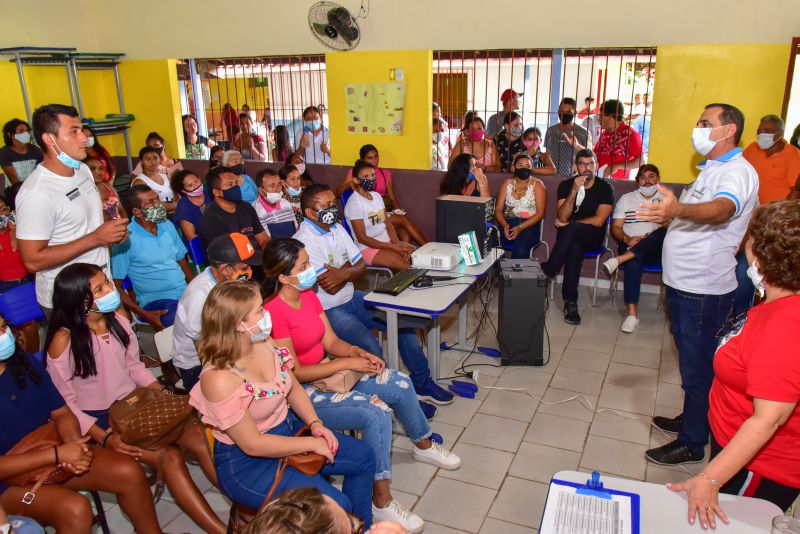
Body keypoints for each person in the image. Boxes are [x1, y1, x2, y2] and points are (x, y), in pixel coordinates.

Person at [263, 238, 461, 532]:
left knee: (399, 382)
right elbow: (297, 374)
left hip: (329, 376)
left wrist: (357, 352)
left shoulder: (310, 296)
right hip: (303, 394)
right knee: (376, 411)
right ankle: (381, 501)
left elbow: (330, 341)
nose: (312, 270)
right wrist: (346, 363)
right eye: (304, 266)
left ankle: (423, 443)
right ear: (282, 276)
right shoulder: (274, 312)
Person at [45, 263, 226, 534]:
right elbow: (65, 403)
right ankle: (221, 530)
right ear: (81, 301)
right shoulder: (64, 340)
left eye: (107, 282)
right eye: (100, 288)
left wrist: (159, 390)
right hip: (100, 420)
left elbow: (134, 367)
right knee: (170, 458)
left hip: (135, 403)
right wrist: (104, 437)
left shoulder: (117, 320)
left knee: (199, 437)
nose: (110, 289)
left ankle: (243, 509)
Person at [188, 280, 375, 527]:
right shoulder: (219, 378)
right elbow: (253, 444)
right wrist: (310, 442)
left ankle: (362, 528)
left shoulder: (264, 341)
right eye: (259, 311)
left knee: (363, 457)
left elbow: (293, 387)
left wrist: (315, 423)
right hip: (249, 464)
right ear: (238, 324)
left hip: (289, 430)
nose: (267, 315)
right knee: (337, 508)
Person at [639, 103, 758, 466]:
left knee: (698, 365)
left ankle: (692, 442)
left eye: (706, 123)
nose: (699, 128)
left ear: (729, 130)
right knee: (690, 360)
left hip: (703, 290)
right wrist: (670, 217)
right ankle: (693, 418)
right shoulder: (711, 169)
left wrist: (676, 211)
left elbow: (723, 209)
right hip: (683, 284)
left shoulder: (737, 172)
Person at [668, 200, 800, 528]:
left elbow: (769, 420)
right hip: (733, 443)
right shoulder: (777, 304)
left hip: (759, 467)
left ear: (759, 251)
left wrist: (711, 479)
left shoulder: (786, 325)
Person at [293, 184, 454, 418]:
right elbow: (327, 283)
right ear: (310, 213)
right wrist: (348, 270)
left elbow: (360, 264)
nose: (332, 209)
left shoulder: (336, 227)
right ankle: (396, 402)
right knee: (371, 349)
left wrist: (344, 272)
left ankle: (421, 382)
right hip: (329, 309)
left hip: (353, 297)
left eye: (332, 204)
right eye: (325, 205)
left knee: (402, 324)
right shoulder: (304, 241)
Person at [0, 313, 163, 534]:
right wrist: (59, 455)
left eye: (3, 328)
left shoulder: (22, 362)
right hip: (9, 482)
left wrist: (74, 445)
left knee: (128, 471)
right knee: (75, 509)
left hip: (52, 451)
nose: (4, 336)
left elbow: (61, 412)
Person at [16, 104, 129, 312]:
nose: (84, 137)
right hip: (69, 300)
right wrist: (96, 238)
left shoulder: (83, 170)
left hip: (101, 285)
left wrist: (112, 232)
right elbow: (32, 260)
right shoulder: (37, 193)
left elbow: (86, 223)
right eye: (74, 132)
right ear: (49, 139)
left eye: (81, 130)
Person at [172, 233, 261, 391]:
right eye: (245, 267)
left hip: (229, 345)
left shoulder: (229, 281)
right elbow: (204, 349)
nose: (250, 271)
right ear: (225, 269)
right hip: (198, 363)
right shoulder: (199, 298)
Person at [541, 149, 614, 325]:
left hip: (593, 236)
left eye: (591, 163)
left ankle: (549, 269)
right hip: (570, 237)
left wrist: (570, 224)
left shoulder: (605, 187)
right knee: (574, 247)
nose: (587, 168)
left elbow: (599, 220)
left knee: (571, 231)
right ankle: (570, 303)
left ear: (595, 165)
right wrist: (574, 190)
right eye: (583, 164)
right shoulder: (566, 185)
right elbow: (563, 216)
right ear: (576, 167)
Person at [112, 185, 193, 330]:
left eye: (157, 199)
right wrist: (145, 314)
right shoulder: (126, 239)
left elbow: (182, 261)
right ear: (137, 212)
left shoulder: (166, 225)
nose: (158, 204)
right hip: (156, 301)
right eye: (150, 202)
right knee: (185, 321)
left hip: (183, 292)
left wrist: (194, 289)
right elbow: (116, 287)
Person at [602, 164, 667, 333]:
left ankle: (619, 259)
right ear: (637, 181)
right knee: (633, 262)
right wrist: (628, 239)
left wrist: (661, 219)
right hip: (630, 243)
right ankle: (632, 315)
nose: (647, 181)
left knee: (662, 232)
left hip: (656, 248)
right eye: (643, 177)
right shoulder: (626, 199)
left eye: (651, 176)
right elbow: (616, 227)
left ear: (658, 179)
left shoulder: (666, 200)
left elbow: (671, 227)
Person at [336, 145, 427, 246]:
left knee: (404, 231)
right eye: (370, 158)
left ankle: (409, 256)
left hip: (384, 210)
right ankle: (427, 246)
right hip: (369, 214)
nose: (374, 160)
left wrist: (398, 210)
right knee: (403, 220)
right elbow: (338, 193)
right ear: (363, 159)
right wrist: (349, 184)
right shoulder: (356, 173)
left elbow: (392, 196)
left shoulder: (385, 174)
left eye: (376, 157)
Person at [344, 160, 415, 271]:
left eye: (373, 175)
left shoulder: (376, 196)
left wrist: (397, 244)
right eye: (366, 176)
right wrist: (392, 247)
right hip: (368, 248)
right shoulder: (354, 203)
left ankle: (398, 280)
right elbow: (362, 238)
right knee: (406, 266)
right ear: (356, 180)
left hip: (387, 243)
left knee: (415, 254)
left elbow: (388, 223)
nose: (371, 179)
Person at [198, 167, 269, 253]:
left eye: (236, 183)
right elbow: (225, 254)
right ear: (216, 192)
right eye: (230, 184)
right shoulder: (211, 219)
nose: (236, 187)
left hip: (255, 256)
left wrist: (270, 253)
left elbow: (262, 238)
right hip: (233, 262)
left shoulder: (246, 207)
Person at [494, 153, 547, 259]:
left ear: (532, 168)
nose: (524, 168)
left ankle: (515, 275)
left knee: (520, 249)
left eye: (528, 166)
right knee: (492, 246)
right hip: (507, 224)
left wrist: (520, 227)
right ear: (514, 167)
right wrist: (504, 224)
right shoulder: (506, 184)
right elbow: (498, 210)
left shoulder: (538, 185)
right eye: (520, 165)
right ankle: (500, 273)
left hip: (529, 226)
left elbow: (541, 213)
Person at [743, 114, 800, 204]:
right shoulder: (752, 149)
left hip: (776, 213)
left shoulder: (793, 155)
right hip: (751, 210)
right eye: (759, 131)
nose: (761, 134)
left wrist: (780, 213)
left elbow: (796, 191)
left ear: (780, 134)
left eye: (767, 131)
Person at [594, 99, 643, 179]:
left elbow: (640, 162)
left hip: (618, 185)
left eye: (601, 116)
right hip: (599, 182)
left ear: (611, 116)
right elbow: (595, 155)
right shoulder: (604, 134)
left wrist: (617, 166)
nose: (598, 119)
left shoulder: (630, 134)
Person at [544, 97, 589, 177]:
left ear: (575, 113)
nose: (564, 114)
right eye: (561, 111)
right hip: (552, 175)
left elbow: (590, 155)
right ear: (558, 111)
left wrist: (577, 146)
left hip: (575, 176)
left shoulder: (583, 133)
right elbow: (548, 153)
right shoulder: (551, 131)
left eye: (568, 112)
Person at [253, 168, 298, 239]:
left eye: (279, 185)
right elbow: (265, 241)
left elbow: (296, 228)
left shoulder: (285, 203)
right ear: (261, 191)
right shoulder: (256, 211)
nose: (277, 189)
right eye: (272, 186)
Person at [131, 146, 177, 213]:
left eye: (155, 158)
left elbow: (173, 196)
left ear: (159, 159)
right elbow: (152, 206)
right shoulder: (139, 182)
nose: (153, 162)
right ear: (141, 162)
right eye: (148, 159)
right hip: (155, 218)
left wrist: (176, 198)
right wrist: (176, 206)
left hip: (172, 212)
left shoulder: (165, 177)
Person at [171, 169, 212, 243]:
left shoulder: (209, 193)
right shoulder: (183, 206)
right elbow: (191, 236)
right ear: (183, 191)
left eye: (196, 181)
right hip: (199, 243)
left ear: (199, 179)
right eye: (190, 185)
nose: (196, 186)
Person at [0, 193, 29, 294]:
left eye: (3, 209)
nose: (1, 214)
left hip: (29, 282)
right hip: (4, 290)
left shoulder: (19, 230)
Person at [0, 119, 43, 186]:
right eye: (21, 131)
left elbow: (43, 170)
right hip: (15, 190)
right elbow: (12, 177)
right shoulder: (4, 152)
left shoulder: (35, 150)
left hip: (35, 187)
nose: (26, 133)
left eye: (27, 130)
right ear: (10, 135)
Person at [86, 156, 126, 221]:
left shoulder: (108, 187)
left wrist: (126, 225)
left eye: (101, 168)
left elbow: (121, 210)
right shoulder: (82, 193)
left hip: (120, 227)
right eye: (92, 169)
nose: (98, 172)